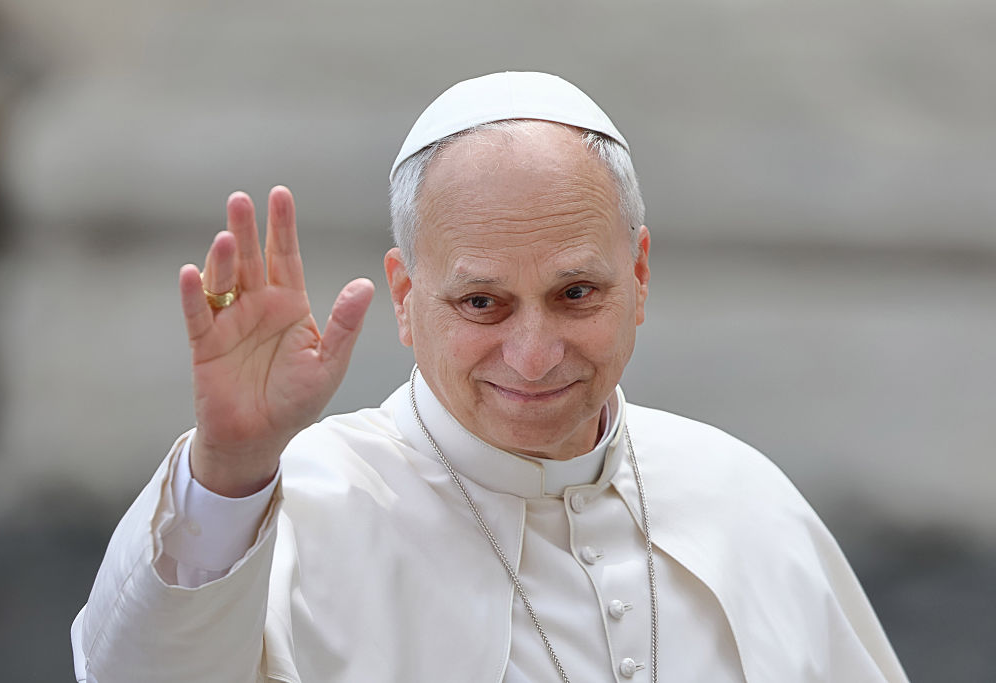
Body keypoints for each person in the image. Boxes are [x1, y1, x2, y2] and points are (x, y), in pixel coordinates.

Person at [72, 72, 908, 682]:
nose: (535, 353)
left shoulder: (741, 495)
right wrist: (229, 470)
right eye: (482, 302)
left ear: (641, 275)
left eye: (576, 292)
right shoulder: (307, 511)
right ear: (406, 298)